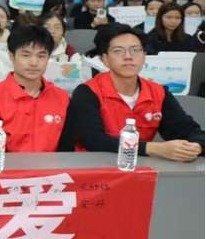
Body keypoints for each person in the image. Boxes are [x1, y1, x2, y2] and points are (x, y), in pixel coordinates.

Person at [60, 24, 203, 159]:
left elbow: (187, 130)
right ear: (105, 59)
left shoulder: (158, 92)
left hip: (139, 168)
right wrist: (153, 148)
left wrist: (196, 146)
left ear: (144, 56)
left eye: (135, 50)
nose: (128, 56)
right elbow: (93, 140)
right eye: (118, 51)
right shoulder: (87, 92)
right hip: (94, 167)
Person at [0, 23, 70, 151]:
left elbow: (66, 149)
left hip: (54, 164)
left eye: (41, 56)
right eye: (26, 55)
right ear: (11, 56)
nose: (34, 63)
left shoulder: (62, 98)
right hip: (6, 164)